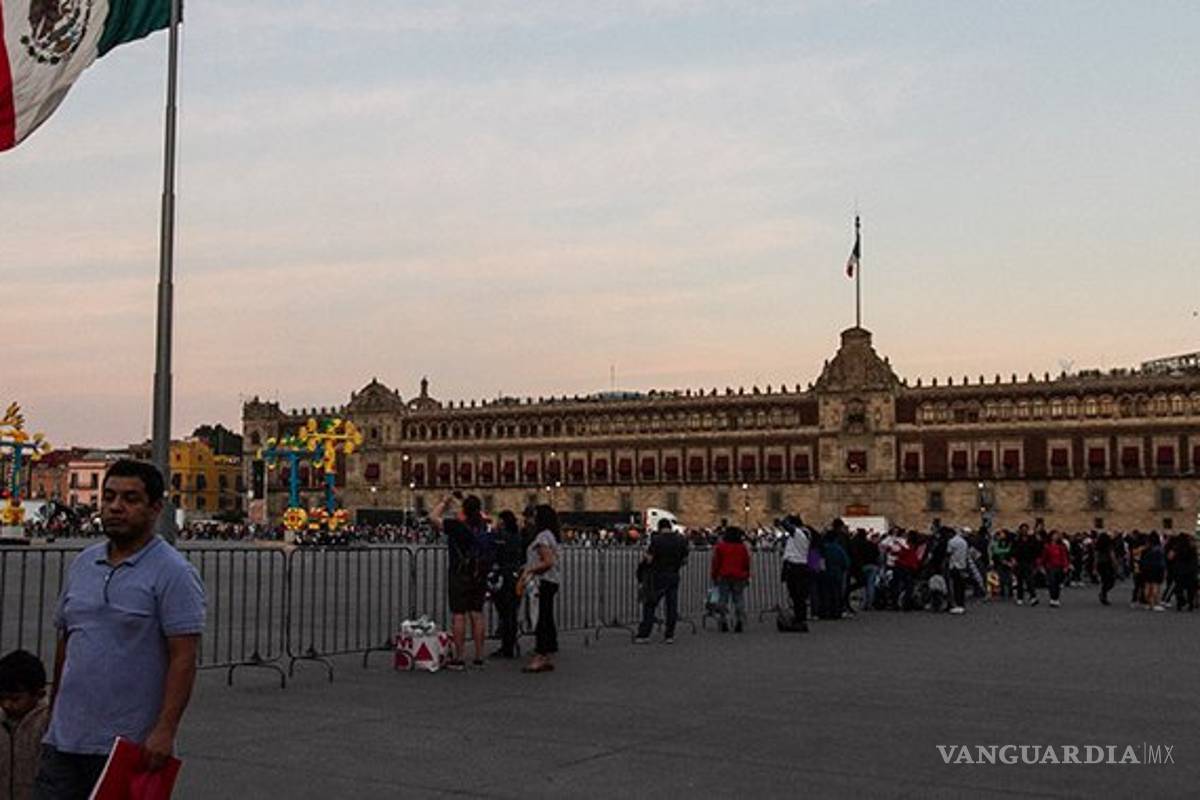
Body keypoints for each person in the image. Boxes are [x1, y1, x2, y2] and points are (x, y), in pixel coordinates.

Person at [36, 459, 205, 799]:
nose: (115, 507)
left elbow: (183, 658)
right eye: (109, 496)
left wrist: (165, 729)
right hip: (64, 740)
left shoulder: (174, 573)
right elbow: (67, 641)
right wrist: (53, 711)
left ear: (155, 508)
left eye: (130, 499)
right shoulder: (84, 564)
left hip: (127, 747)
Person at [430, 494, 493, 670]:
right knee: (477, 614)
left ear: (464, 510)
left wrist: (444, 501)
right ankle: (479, 655)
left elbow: (433, 518)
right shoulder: (483, 525)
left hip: (459, 573)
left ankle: (459, 657)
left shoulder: (456, 526)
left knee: (459, 615)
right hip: (478, 574)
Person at [1, 650, 50, 800]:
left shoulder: (47, 723)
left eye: (15, 699)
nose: (6, 704)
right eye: (2, 698)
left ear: (39, 694)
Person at [520, 505, 561, 672]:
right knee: (546, 617)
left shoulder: (542, 536)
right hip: (551, 581)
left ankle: (540, 655)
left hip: (543, 582)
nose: (532, 519)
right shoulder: (551, 535)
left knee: (541, 619)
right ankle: (547, 654)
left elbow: (548, 561)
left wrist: (529, 570)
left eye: (535, 516)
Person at [635, 518, 689, 643]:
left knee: (650, 604)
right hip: (673, 574)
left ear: (659, 528)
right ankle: (669, 635)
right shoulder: (681, 539)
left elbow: (649, 559)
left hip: (658, 575)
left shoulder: (657, 540)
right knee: (671, 605)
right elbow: (685, 560)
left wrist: (643, 562)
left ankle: (644, 634)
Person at [489, 510, 525, 659]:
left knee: (505, 613)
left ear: (503, 522)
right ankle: (510, 644)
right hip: (516, 576)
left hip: (504, 577)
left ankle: (507, 647)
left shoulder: (502, 537)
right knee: (512, 612)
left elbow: (494, 552)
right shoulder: (518, 536)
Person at [710, 527, 751, 633]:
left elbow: (716, 562)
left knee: (723, 599)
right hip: (739, 576)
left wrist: (714, 575)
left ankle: (723, 620)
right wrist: (747, 575)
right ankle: (739, 620)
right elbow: (746, 562)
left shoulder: (721, 546)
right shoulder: (742, 547)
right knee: (739, 599)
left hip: (724, 575)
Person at [779, 517, 811, 631]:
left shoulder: (799, 533)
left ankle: (801, 620)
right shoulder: (799, 535)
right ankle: (798, 618)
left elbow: (785, 524)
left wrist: (786, 518)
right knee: (795, 595)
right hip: (794, 567)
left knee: (798, 596)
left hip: (797, 567)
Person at [1041, 530, 1070, 608]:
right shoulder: (1047, 546)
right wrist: (1042, 566)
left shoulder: (1061, 546)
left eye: (1057, 535)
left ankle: (1056, 598)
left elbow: (1064, 557)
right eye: (1054, 535)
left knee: (1057, 583)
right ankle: (1052, 598)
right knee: (1052, 583)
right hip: (1050, 567)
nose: (1055, 537)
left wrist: (1066, 566)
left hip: (1059, 566)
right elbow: (1044, 557)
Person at [1139, 533, 1167, 612]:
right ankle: (1153, 604)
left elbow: (1141, 559)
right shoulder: (1159, 550)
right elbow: (1162, 561)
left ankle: (1148, 603)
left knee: (1147, 586)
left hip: (1146, 569)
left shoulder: (1145, 549)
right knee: (1155, 586)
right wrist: (1164, 570)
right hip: (1156, 569)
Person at [946, 527, 970, 614]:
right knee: (961, 587)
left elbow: (948, 553)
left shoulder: (951, 541)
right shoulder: (964, 542)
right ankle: (961, 604)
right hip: (962, 566)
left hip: (954, 566)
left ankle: (956, 605)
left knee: (955, 587)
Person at [1095, 532, 1118, 605]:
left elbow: (1096, 557)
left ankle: (1103, 594)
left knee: (1105, 581)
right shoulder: (1109, 545)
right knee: (1111, 581)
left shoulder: (1097, 546)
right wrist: (1115, 564)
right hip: (1107, 564)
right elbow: (1112, 555)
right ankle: (1103, 594)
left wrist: (1094, 567)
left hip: (1100, 564)